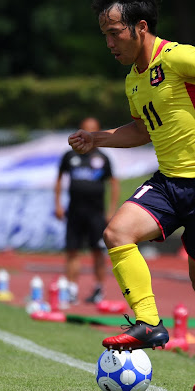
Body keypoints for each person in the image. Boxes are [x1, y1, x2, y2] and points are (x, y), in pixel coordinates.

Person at [69, 0, 195, 391]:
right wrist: (98, 138)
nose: (109, 43)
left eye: (115, 33)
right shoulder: (133, 80)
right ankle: (148, 322)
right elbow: (141, 130)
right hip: (169, 183)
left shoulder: (176, 57)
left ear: (140, 27)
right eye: (104, 35)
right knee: (117, 232)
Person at [55, 117, 120, 304]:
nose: (88, 134)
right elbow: (59, 179)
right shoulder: (69, 156)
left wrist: (111, 210)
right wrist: (58, 204)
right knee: (72, 251)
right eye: (85, 130)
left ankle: (99, 289)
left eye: (93, 131)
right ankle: (71, 290)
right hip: (74, 212)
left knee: (98, 251)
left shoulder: (103, 158)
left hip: (96, 213)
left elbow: (114, 183)